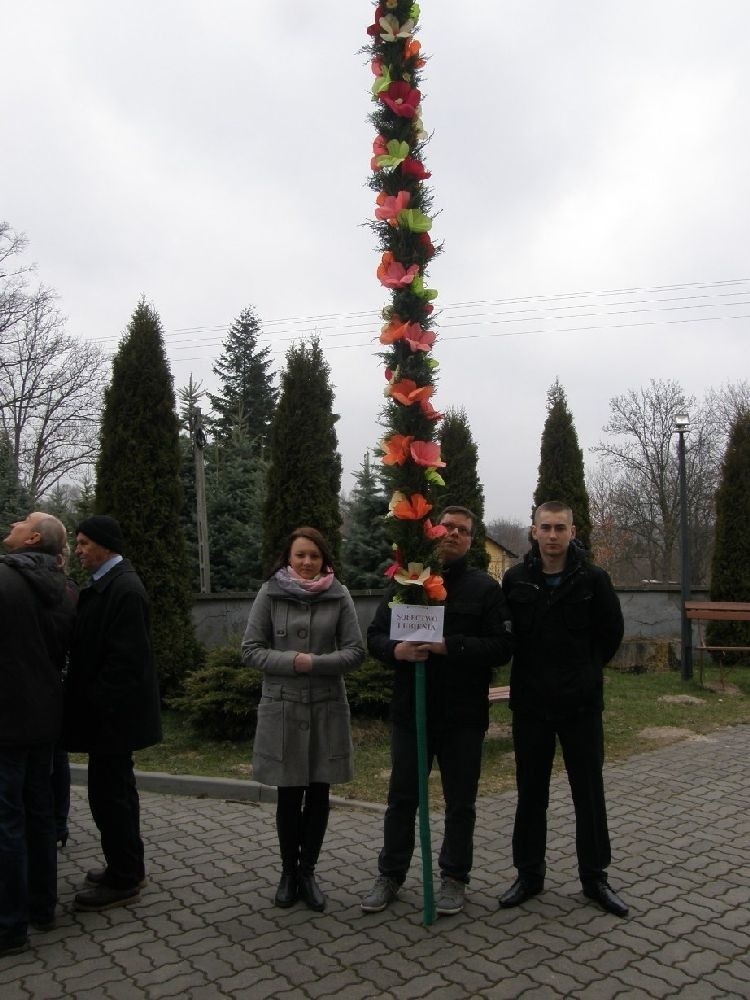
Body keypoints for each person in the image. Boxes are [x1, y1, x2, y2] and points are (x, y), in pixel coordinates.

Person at [362, 506, 514, 917]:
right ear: (432, 531)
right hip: (412, 713)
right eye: (446, 527)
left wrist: (453, 645)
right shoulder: (405, 581)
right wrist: (397, 650)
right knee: (402, 798)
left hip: (462, 715)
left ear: (471, 539)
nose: (453, 535)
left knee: (460, 801)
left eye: (463, 531)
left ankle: (454, 878)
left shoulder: (484, 590)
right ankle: (391, 874)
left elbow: (502, 647)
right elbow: (374, 636)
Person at [499, 501, 628, 917]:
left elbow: (611, 633)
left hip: (580, 707)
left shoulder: (593, 579)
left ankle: (595, 879)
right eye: (545, 528)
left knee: (588, 795)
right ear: (533, 531)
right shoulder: (516, 579)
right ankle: (529, 875)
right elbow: (508, 637)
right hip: (532, 706)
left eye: (560, 528)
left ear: (573, 532)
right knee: (530, 795)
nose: (552, 536)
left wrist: (587, 673)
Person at [242, 526, 365, 912]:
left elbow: (355, 652)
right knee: (288, 794)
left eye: (314, 555)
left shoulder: (338, 593)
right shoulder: (270, 593)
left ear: (323, 559)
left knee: (319, 795)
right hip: (282, 707)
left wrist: (316, 663)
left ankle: (308, 872)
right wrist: (292, 662)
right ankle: (287, 872)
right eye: (300, 555)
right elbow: (251, 650)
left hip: (327, 706)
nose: (307, 562)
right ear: (288, 559)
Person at [63, 515, 162, 912]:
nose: (79, 550)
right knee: (115, 793)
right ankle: (124, 865)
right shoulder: (109, 584)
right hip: (109, 717)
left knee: (111, 798)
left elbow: (125, 662)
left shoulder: (124, 589)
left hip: (113, 720)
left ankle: (123, 878)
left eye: (85, 543)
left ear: (105, 545)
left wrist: (96, 704)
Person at [0, 512, 75, 957]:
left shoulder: (5, 582)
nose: (11, 524)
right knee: (40, 813)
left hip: (6, 721)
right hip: (45, 718)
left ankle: (9, 926)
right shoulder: (67, 591)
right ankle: (42, 907)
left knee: (7, 821)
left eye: (22, 522)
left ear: (32, 538)